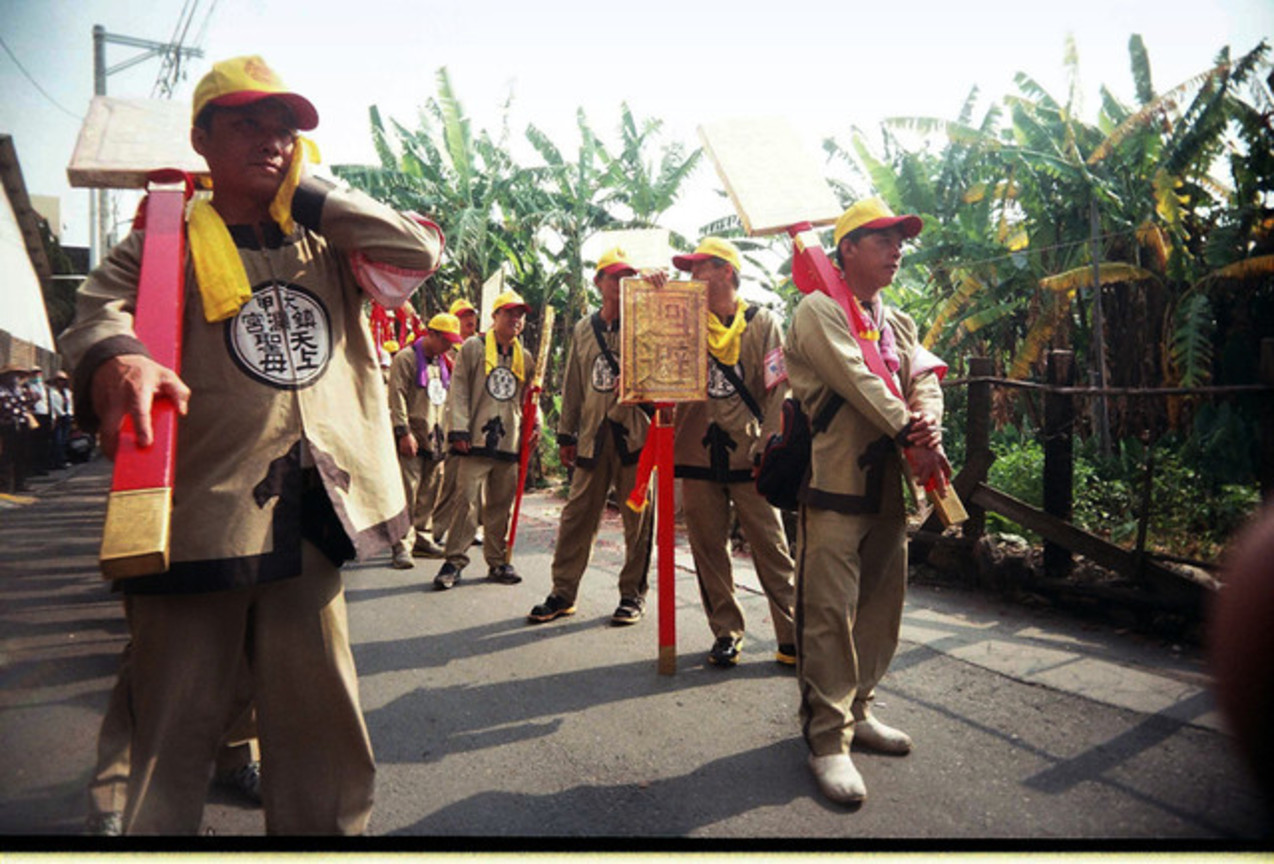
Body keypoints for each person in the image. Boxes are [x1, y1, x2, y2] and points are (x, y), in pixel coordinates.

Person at [58, 54, 443, 834]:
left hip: (312, 514)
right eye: (246, 123)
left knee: (322, 733)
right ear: (201, 138)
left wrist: (308, 190)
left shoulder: (331, 246)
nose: (270, 139)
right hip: (199, 514)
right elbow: (98, 315)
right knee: (169, 726)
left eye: (285, 128)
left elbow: (415, 253)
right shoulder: (160, 246)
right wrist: (121, 355)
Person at [783, 197, 949, 805]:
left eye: (900, 240)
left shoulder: (898, 321)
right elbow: (858, 379)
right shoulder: (818, 311)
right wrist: (910, 429)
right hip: (835, 485)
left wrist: (927, 425)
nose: (896, 249)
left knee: (882, 606)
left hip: (887, 490)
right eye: (882, 239)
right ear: (846, 248)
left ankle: (860, 707)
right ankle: (828, 739)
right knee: (828, 613)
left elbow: (924, 378)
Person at [669, 237, 796, 668]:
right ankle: (726, 631)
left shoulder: (763, 323)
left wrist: (770, 442)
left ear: (726, 270)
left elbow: (781, 389)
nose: (692, 277)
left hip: (751, 452)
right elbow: (645, 342)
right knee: (707, 548)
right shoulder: (684, 322)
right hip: (696, 449)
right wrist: (648, 285)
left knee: (771, 546)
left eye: (700, 267)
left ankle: (792, 633)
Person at [528, 248, 654, 625]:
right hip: (592, 438)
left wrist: (655, 281)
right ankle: (562, 592)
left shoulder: (647, 323)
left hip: (635, 437)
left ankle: (632, 595)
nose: (619, 284)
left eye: (627, 277)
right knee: (577, 516)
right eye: (613, 277)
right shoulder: (584, 329)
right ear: (599, 282)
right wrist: (565, 434)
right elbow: (574, 385)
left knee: (639, 519)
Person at [434, 290, 536, 590]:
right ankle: (454, 560)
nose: (515, 320)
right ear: (495, 316)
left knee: (500, 506)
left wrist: (535, 426)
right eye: (509, 313)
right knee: (465, 502)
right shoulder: (473, 348)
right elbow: (460, 389)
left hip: (509, 440)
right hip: (475, 437)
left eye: (520, 315)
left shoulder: (525, 357)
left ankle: (498, 561)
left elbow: (530, 397)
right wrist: (460, 430)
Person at [387, 313, 463, 568]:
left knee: (431, 490)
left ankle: (422, 536)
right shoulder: (406, 359)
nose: (449, 346)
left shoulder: (443, 362)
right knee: (408, 490)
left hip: (436, 436)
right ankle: (401, 544)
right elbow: (396, 396)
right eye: (446, 341)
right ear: (432, 334)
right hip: (413, 434)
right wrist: (402, 431)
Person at [428, 297, 483, 547]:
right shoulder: (440, 353)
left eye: (471, 316)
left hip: (474, 424)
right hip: (449, 425)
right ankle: (435, 530)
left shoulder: (478, 348)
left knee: (473, 485)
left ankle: (469, 530)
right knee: (449, 482)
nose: (469, 321)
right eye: (463, 317)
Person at [0, 364, 33, 492]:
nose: (15, 379)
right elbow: (6, 407)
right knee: (7, 456)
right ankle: (5, 484)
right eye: (12, 375)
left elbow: (32, 400)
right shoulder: (2, 391)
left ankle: (20, 482)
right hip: (6, 426)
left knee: (22, 454)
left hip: (21, 424)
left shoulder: (20, 391)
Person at [49, 370, 74, 469]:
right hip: (58, 417)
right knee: (57, 440)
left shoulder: (67, 392)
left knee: (64, 439)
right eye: (60, 380)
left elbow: (70, 404)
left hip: (67, 416)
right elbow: (53, 406)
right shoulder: (52, 392)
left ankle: (63, 459)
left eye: (64, 380)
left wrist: (71, 415)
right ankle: (57, 461)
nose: (62, 382)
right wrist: (55, 417)